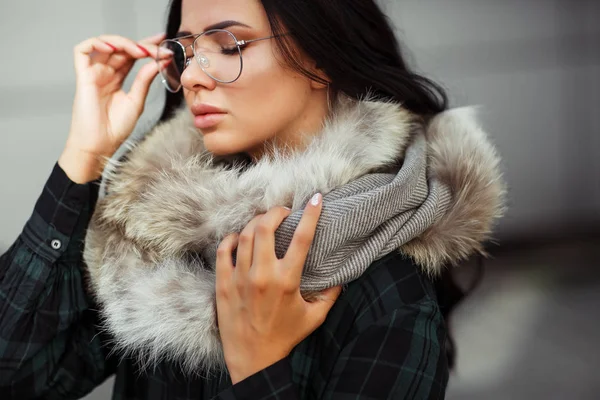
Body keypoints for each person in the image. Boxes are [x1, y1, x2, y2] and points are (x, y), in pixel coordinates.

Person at [0, 0, 505, 399]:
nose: (193, 75)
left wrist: (258, 368)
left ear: (320, 55)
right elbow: (13, 375)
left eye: (229, 44)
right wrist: (84, 156)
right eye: (185, 52)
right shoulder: (155, 237)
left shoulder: (386, 291)